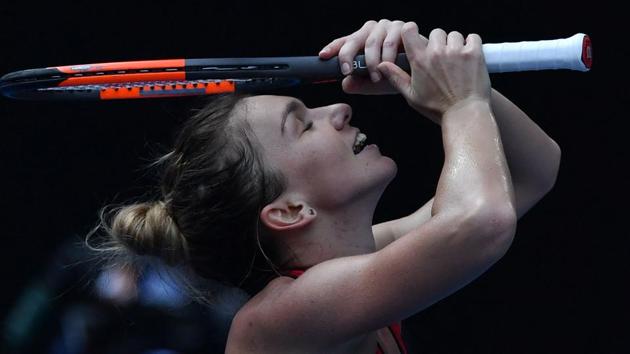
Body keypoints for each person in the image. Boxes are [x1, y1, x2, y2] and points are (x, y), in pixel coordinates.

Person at [87, 19, 561, 353]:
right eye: (303, 125)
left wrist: (449, 80)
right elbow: (482, 222)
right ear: (290, 210)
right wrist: (459, 103)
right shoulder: (279, 318)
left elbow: (529, 172)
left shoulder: (361, 260)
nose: (338, 110)